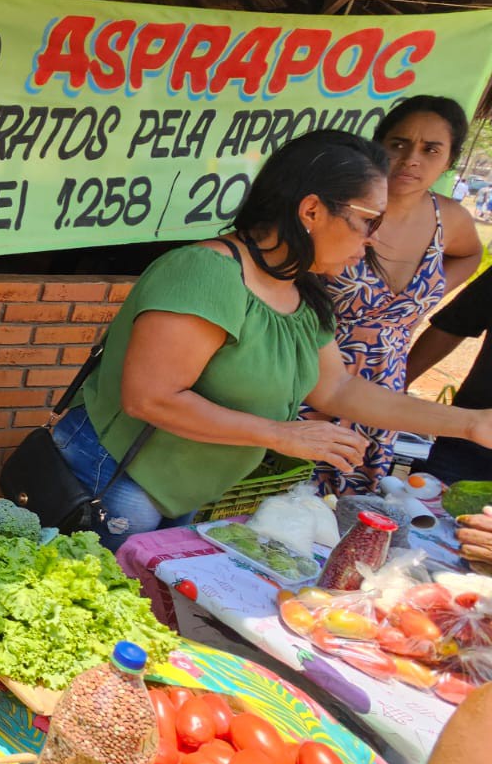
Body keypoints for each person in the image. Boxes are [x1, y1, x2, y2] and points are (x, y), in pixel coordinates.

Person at [53, 129, 492, 549]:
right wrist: (283, 435)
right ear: (312, 211)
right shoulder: (205, 272)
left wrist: (471, 424)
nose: (373, 240)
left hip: (186, 488)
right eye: (368, 221)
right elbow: (150, 399)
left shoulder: (301, 290)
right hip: (117, 476)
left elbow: (337, 389)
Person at [301, 96, 483, 495]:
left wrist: (426, 296)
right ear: (378, 144)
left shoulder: (448, 219)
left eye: (431, 149)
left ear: (450, 159)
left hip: (384, 389)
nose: (411, 159)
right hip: (309, 375)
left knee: (344, 511)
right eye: (399, 144)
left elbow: (472, 254)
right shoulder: (340, 208)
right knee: (277, 501)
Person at [407, 265, 492, 484]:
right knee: (430, 511)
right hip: (468, 442)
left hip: (468, 435)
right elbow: (454, 324)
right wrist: (395, 387)